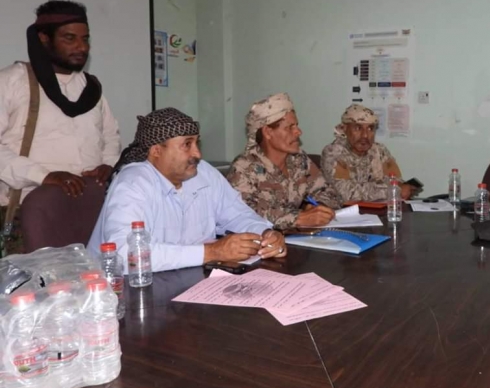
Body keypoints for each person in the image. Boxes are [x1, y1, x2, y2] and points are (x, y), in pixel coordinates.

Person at [88, 108, 285, 273]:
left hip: (186, 281)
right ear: (156, 151)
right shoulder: (133, 183)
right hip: (116, 291)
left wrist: (266, 233)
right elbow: (125, 255)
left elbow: (237, 214)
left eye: (197, 143)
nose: (197, 153)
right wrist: (211, 252)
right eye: (187, 145)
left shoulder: (204, 173)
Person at [0, 0, 120, 244]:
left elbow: (110, 137)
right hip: (25, 215)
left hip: (89, 214)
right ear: (44, 38)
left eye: (85, 39)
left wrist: (107, 166)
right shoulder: (13, 81)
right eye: (69, 38)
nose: (81, 47)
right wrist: (44, 176)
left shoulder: (91, 89)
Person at [228, 93, 341, 229]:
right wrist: (298, 218)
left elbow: (328, 192)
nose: (298, 132)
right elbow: (242, 214)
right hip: (263, 240)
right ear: (268, 132)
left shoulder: (299, 159)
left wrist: (318, 207)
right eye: (290, 127)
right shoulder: (244, 167)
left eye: (296, 125)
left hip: (300, 236)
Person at [321, 104, 418, 203]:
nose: (365, 135)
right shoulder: (334, 153)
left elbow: (395, 180)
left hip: (377, 208)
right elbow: (347, 194)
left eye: (370, 128)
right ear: (344, 129)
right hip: (340, 210)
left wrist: (403, 187)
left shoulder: (379, 150)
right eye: (358, 128)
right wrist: (392, 190)